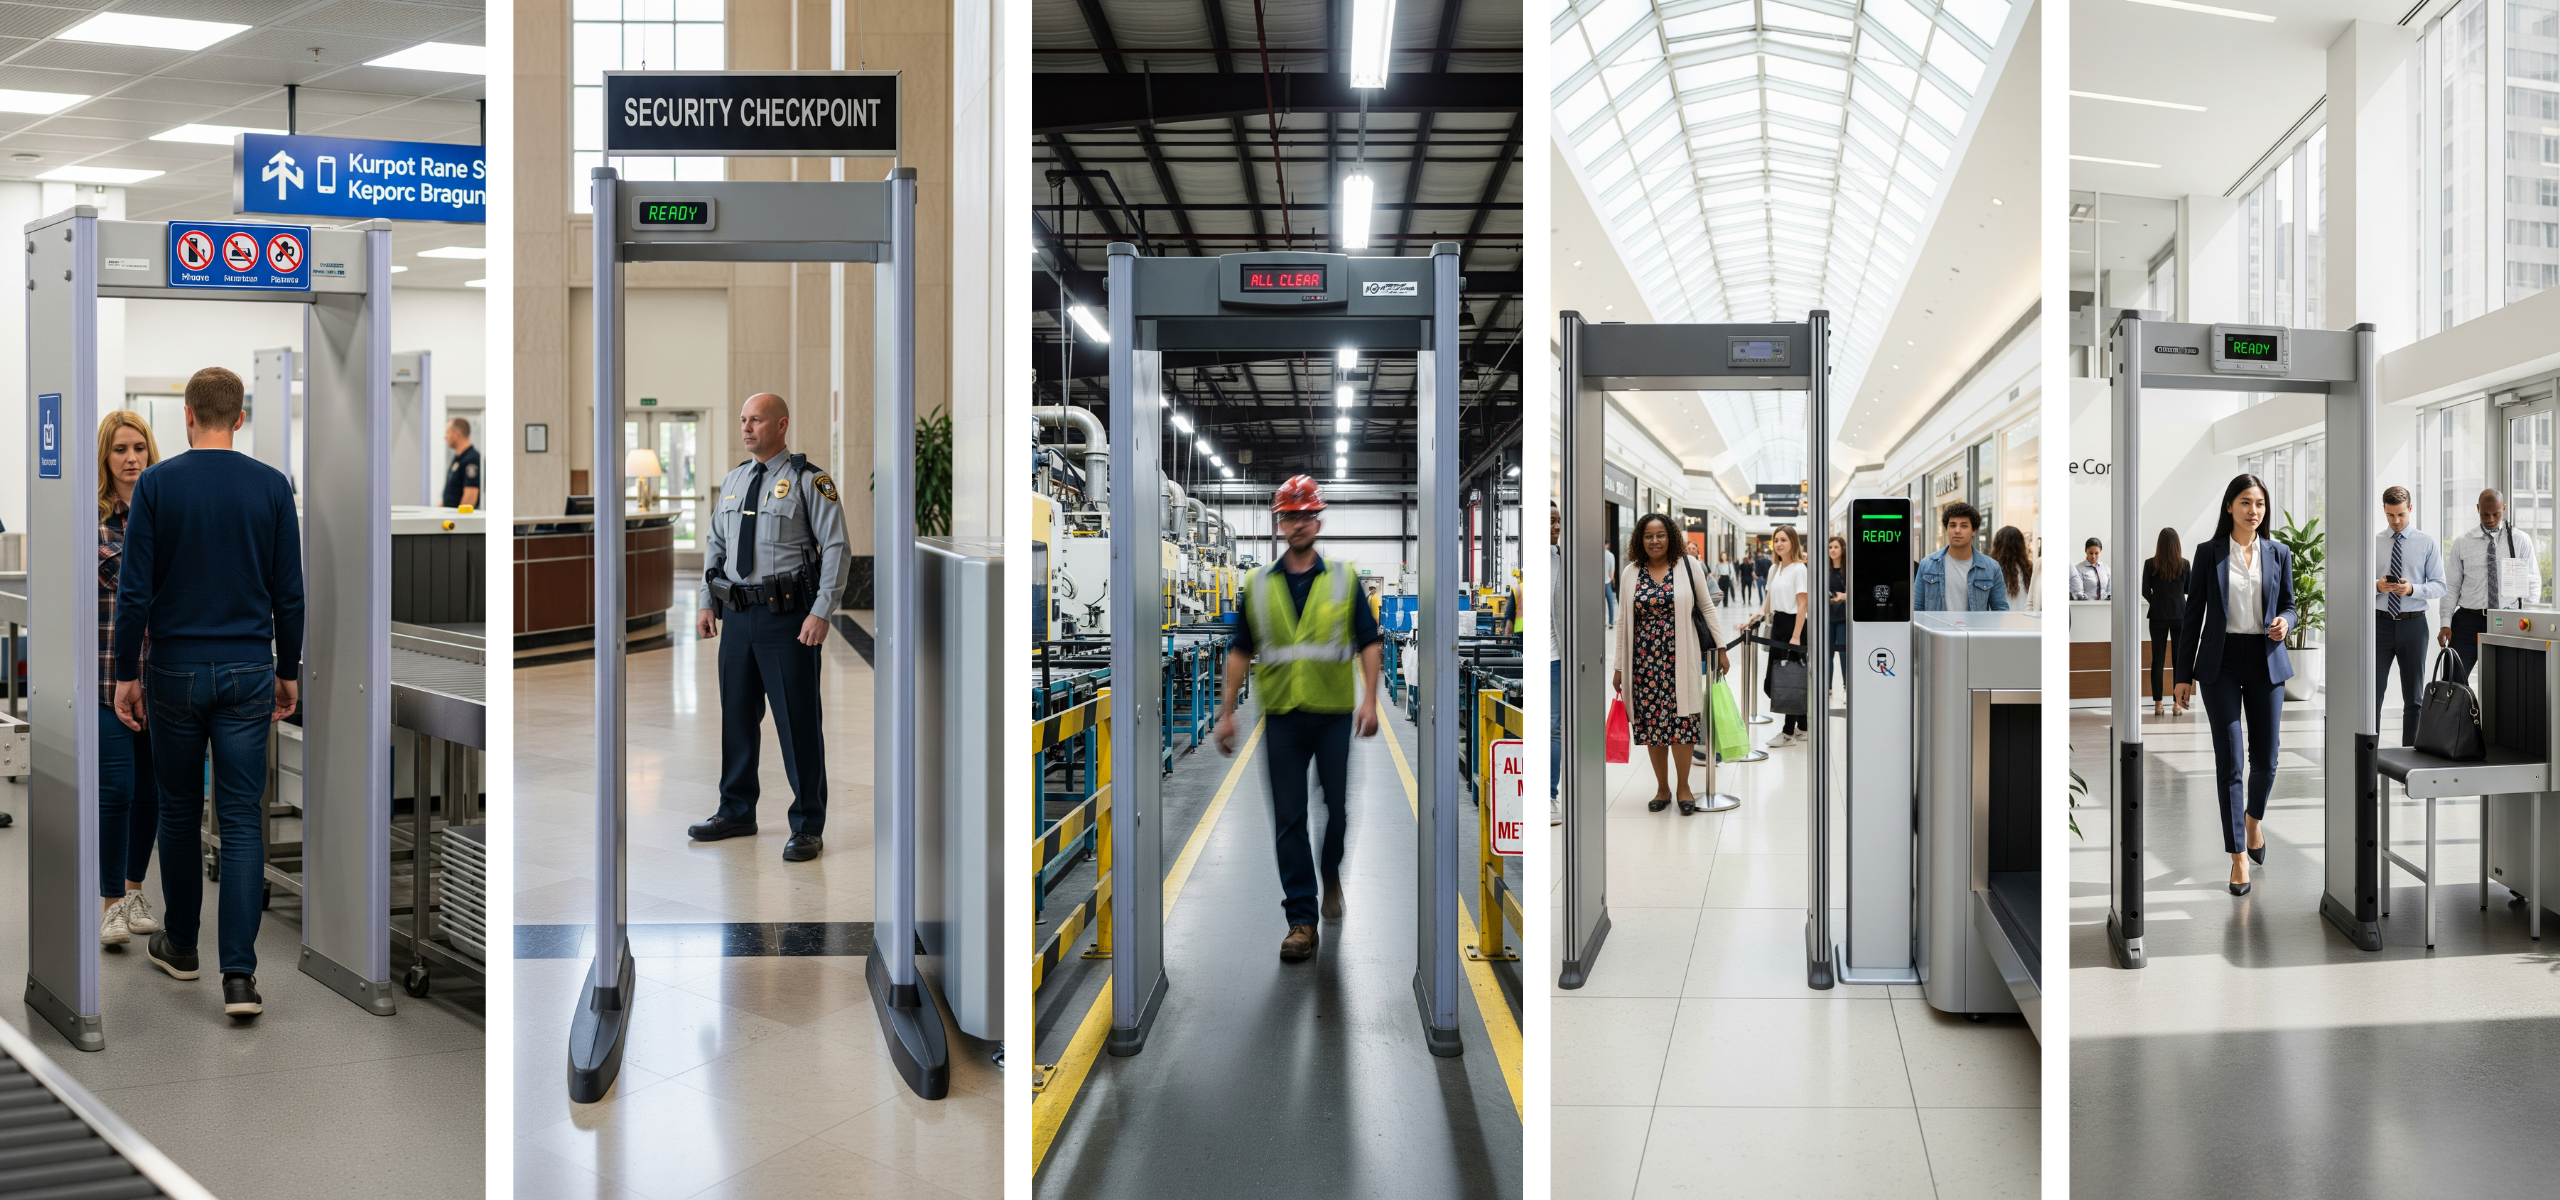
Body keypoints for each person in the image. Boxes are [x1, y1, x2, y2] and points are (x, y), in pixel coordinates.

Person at [113, 367, 304, 1019]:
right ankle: (241, 979)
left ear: (188, 416)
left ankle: (183, 948)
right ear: (240, 418)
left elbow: (134, 591)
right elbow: (290, 592)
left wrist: (124, 674)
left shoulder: (159, 486)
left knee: (177, 810)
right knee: (243, 820)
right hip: (251, 669)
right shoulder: (273, 487)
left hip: (173, 670)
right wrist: (289, 669)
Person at [1212, 476, 1384, 963]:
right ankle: (1301, 920)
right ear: (1280, 523)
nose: (1299, 523)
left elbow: (1369, 642)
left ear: (1317, 520)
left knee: (1337, 812)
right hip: (1282, 715)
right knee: (1289, 819)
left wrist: (1370, 700)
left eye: (1306, 515)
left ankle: (1330, 873)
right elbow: (1240, 649)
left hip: (1332, 714)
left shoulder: (1344, 579)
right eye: (1290, 516)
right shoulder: (1257, 585)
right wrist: (1227, 714)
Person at [689, 393, 850, 863]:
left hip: (789, 621)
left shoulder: (808, 480)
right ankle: (736, 810)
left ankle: (807, 824)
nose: (746, 428)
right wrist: (706, 602)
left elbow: (837, 547)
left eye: (755, 420)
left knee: (798, 724)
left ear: (781, 424)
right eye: (743, 420)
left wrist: (821, 611)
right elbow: (715, 544)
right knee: (737, 719)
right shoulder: (735, 480)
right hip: (737, 616)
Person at [2172, 474, 2296, 897]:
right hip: (2220, 665)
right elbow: (2193, 619)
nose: (2253, 510)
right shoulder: (2209, 554)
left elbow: (2290, 606)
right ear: (2229, 506)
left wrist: (2286, 622)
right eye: (2245, 502)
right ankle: (2238, 856)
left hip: (2266, 661)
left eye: (2259, 503)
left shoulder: (2278, 552)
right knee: (2231, 761)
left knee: (2268, 759)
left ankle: (2253, 822)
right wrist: (2182, 675)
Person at [96, 412, 164, 948]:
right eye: (120, 449)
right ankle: (110, 905)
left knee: (152, 792)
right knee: (117, 789)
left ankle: (135, 890)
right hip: (107, 678)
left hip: (161, 677)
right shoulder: (91, 523)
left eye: (139, 447)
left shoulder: (166, 513)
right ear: (106, 457)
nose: (132, 458)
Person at [1611, 514, 1731, 813]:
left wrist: (1721, 647)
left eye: (1661, 534)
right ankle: (1662, 787)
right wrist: (1619, 666)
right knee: (1652, 726)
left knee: (1683, 724)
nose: (1655, 541)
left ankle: (1684, 787)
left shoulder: (1688, 566)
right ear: (1640, 539)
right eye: (1649, 536)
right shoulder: (1630, 573)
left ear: (1671, 537)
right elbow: (1624, 620)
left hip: (1682, 657)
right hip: (1643, 662)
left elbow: (1706, 606)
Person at [2373, 486, 2446, 746]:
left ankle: (2410, 755)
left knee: (2414, 698)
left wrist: (2412, 589)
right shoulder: (2374, 542)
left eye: (2401, 515)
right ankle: (2370, 757)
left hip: (2413, 625)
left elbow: (2440, 585)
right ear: (2384, 509)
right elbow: (2360, 585)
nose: (2396, 521)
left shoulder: (2426, 543)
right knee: (2373, 697)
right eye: (2391, 515)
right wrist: (2377, 586)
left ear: (2411, 509)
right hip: (2378, 625)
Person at [2441, 487, 2539, 677]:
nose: (2490, 519)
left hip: (2507, 619)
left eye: (2496, 513)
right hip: (2468, 620)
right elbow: (2451, 585)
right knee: (2452, 677)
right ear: (2478, 508)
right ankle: (2469, 708)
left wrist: (2527, 618)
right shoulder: (2462, 542)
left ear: (2504, 508)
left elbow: (2533, 581)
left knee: (2507, 680)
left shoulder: (2520, 540)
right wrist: (2445, 622)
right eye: (2485, 513)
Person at [1759, 526, 1813, 746]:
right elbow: (1768, 603)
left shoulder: (1800, 569)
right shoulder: (1775, 568)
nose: (1779, 544)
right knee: (1772, 682)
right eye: (1776, 540)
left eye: (1783, 540)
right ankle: (1804, 725)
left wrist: (1796, 636)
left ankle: (1788, 732)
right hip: (1779, 624)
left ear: (1793, 542)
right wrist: (1754, 617)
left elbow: (1803, 605)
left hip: (1794, 626)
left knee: (1789, 680)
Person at [1914, 502, 2009, 612]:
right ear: (1946, 530)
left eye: (1964, 526)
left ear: (1974, 531)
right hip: (1937, 629)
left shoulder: (1991, 568)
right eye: (1953, 525)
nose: (1957, 530)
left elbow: (2000, 610)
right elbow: (1917, 609)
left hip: (1973, 629)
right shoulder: (1927, 565)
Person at [2142, 528, 2190, 717]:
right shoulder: (2184, 564)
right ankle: (2177, 705)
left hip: (2157, 616)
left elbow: (2145, 590)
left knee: (2158, 661)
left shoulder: (2150, 564)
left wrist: (2158, 602)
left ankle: (2158, 704)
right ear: (2177, 543)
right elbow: (2189, 589)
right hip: (2180, 616)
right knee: (2180, 660)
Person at [1550, 503, 1563, 827]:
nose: (1557, 526)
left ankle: (1549, 794)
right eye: (1550, 521)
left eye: (1558, 521)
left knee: (1553, 728)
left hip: (1556, 658)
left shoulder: (1563, 559)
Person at [1991, 525, 2038, 611]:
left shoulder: (1992, 570)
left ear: (1997, 545)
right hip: (2026, 620)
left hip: (2000, 620)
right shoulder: (2028, 570)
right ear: (2021, 546)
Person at [1824, 535, 1849, 693]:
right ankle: (1828, 687)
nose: (1832, 550)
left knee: (1844, 653)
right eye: (1830, 547)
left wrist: (1847, 595)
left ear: (1842, 549)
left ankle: (1847, 686)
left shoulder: (1848, 569)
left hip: (1844, 616)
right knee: (1828, 653)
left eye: (1835, 547)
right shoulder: (1826, 570)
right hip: (1827, 616)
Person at [440, 417, 480, 509]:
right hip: (451, 517)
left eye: (447, 433)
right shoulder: (459, 458)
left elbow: (470, 498)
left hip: (458, 521)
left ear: (457, 435)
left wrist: (459, 520)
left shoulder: (472, 460)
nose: (445, 437)